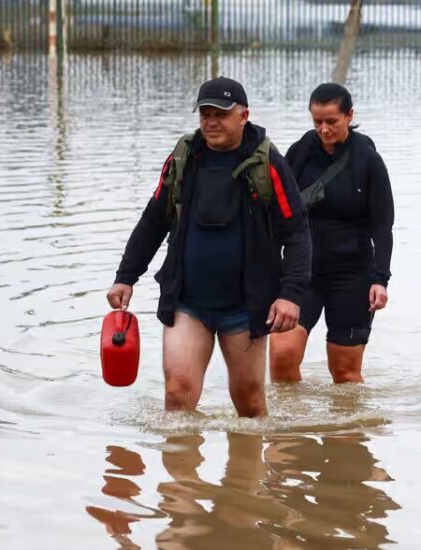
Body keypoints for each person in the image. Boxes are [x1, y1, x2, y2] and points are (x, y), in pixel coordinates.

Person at [106, 77, 310, 417]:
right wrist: (126, 276)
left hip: (245, 307)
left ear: (244, 116)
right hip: (188, 302)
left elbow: (298, 232)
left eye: (221, 114)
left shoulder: (269, 164)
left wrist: (291, 294)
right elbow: (154, 219)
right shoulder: (184, 158)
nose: (211, 122)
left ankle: (245, 471)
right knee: (176, 394)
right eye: (205, 113)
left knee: (249, 404)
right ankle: (182, 472)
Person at [269, 83, 394, 384]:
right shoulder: (300, 153)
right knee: (282, 356)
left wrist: (380, 279)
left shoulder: (368, 161)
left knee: (344, 373)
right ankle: (290, 430)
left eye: (331, 122)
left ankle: (345, 430)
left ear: (349, 116)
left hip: (352, 275)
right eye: (317, 122)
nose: (323, 129)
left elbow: (382, 225)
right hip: (302, 273)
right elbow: (278, 212)